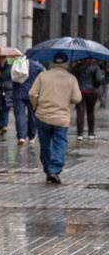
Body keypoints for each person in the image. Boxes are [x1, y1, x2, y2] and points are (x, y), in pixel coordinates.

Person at [29, 51, 82, 185]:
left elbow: (32, 93)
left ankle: (48, 170)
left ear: (53, 62)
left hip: (43, 116)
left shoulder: (43, 75)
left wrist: (36, 105)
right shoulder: (71, 78)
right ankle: (54, 169)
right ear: (66, 63)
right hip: (61, 118)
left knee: (45, 145)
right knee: (59, 144)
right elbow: (77, 98)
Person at [12, 58, 44, 146]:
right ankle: (32, 135)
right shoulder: (38, 66)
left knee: (20, 115)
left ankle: (21, 136)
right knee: (32, 114)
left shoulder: (17, 64)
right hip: (32, 93)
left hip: (18, 93)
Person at [73, 58, 104, 139]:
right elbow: (98, 80)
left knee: (80, 112)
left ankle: (80, 134)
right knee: (90, 112)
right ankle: (91, 133)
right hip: (91, 91)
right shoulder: (95, 66)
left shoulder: (77, 66)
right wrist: (95, 86)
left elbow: (73, 78)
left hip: (79, 91)